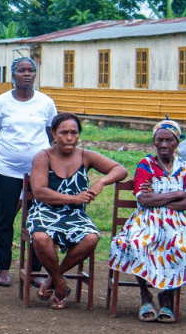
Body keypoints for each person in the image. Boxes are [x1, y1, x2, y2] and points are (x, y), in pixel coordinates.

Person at [27, 113, 127, 307]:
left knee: (91, 237)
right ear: (53, 134)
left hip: (75, 215)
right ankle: (60, 283)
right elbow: (39, 192)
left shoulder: (85, 155)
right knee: (40, 237)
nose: (69, 137)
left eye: (74, 132)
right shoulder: (43, 157)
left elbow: (120, 170)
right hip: (45, 211)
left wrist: (101, 182)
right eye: (64, 133)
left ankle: (53, 279)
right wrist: (74, 198)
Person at [108, 120, 186, 323]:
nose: (164, 145)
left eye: (169, 140)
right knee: (137, 244)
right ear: (154, 142)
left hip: (176, 223)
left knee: (183, 247)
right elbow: (143, 199)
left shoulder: (185, 168)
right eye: (160, 140)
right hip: (145, 220)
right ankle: (145, 296)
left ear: (177, 142)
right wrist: (178, 193)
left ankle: (166, 298)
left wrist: (159, 201)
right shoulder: (145, 165)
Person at [0, 57, 58, 287]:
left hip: (38, 172)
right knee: (5, 219)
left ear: (35, 75)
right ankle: (4, 269)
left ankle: (34, 271)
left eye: (30, 70)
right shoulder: (1, 102)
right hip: (7, 169)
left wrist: (38, 160)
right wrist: (11, 152)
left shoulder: (45, 102)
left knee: (38, 220)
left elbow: (51, 132)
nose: (26, 74)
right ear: (13, 75)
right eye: (21, 70)